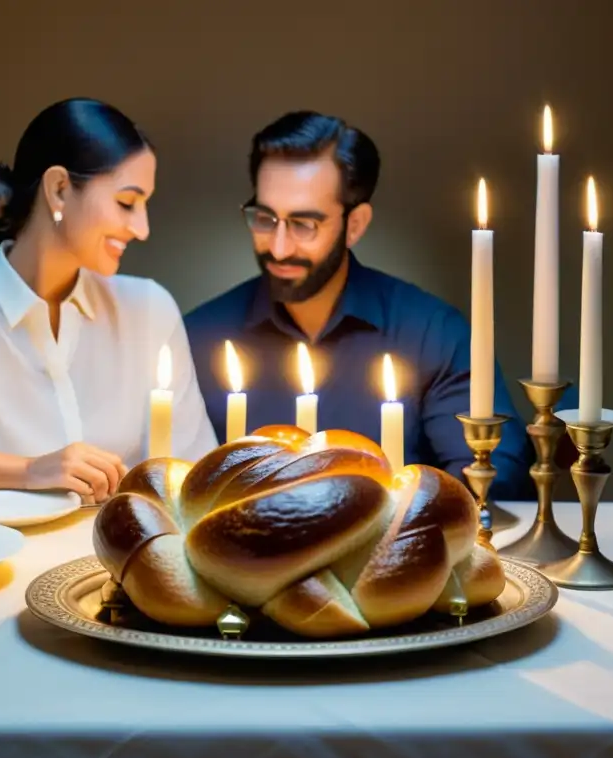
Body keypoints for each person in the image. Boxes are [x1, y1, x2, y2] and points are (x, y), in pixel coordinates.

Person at [0, 98, 217, 503]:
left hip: (122, 562)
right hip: (3, 565)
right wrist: (33, 470)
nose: (142, 228)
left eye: (144, 205)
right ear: (59, 189)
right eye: (127, 203)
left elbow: (196, 471)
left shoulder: (151, 309)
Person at [184, 111, 535, 500]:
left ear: (355, 224)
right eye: (265, 218)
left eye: (304, 224)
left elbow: (494, 477)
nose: (278, 247)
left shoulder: (432, 333)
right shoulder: (198, 336)